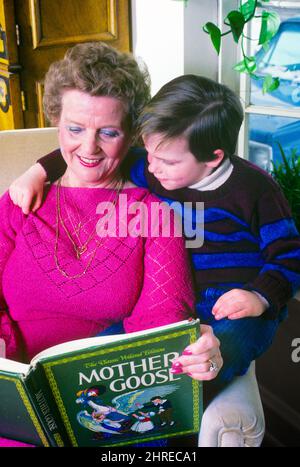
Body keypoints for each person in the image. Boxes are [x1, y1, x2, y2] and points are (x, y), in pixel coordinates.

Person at [11, 73, 300, 396]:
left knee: (208, 360)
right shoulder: (155, 165)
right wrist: (37, 171)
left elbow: (290, 255)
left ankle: (167, 430)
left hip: (236, 309)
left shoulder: (255, 190)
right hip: (172, 307)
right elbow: (92, 156)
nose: (152, 167)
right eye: (148, 154)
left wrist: (259, 296)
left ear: (214, 158)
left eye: (165, 161)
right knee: (89, 360)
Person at [0, 45, 223, 447]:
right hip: (14, 398)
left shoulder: (155, 216)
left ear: (133, 132)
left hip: (107, 408)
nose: (88, 148)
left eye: (109, 132)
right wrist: (9, 355)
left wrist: (191, 352)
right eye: (75, 129)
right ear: (55, 120)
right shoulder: (19, 203)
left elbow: (161, 329)